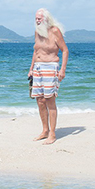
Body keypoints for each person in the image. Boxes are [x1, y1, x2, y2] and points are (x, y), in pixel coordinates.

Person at [28, 8, 69, 145]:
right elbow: (36, 51)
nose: (37, 21)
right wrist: (31, 69)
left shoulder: (55, 31)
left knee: (49, 100)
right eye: (36, 18)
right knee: (40, 100)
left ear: (46, 19)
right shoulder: (37, 32)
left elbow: (65, 50)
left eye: (39, 18)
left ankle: (52, 133)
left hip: (50, 67)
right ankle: (45, 130)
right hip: (38, 68)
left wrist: (62, 70)